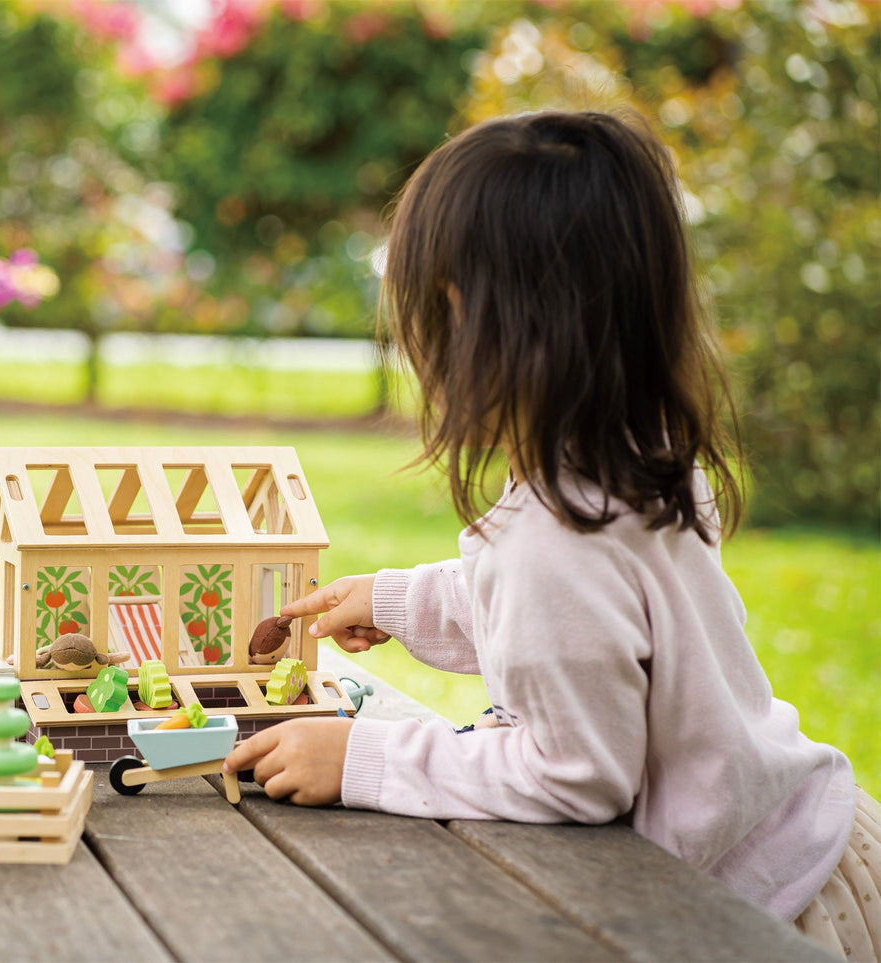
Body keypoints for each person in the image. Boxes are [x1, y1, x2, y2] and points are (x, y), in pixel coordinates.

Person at [222, 110, 878, 956]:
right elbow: (574, 619)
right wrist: (395, 600)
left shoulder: (553, 542)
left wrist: (361, 760)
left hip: (747, 905)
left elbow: (574, 778)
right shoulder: (633, 462)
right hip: (803, 832)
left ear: (463, 313)